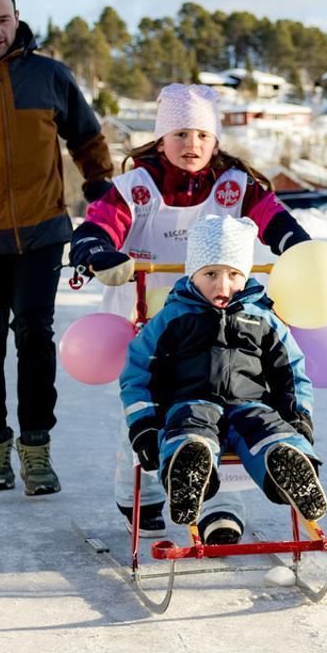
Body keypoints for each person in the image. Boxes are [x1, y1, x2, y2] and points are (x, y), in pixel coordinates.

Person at [68, 82, 313, 540]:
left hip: (219, 313)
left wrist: (297, 248)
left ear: (216, 140)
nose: (191, 145)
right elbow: (99, 224)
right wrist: (96, 250)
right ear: (161, 140)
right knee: (145, 409)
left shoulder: (234, 186)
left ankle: (220, 504)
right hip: (149, 316)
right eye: (180, 134)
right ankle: (140, 495)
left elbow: (275, 219)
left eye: (202, 135)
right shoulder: (137, 188)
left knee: (229, 406)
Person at [0, 0, 113, 496]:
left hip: (42, 232)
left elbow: (88, 137)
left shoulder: (49, 76)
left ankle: (36, 449)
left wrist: (103, 195)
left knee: (34, 333)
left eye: (2, 20)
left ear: (16, 16)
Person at [119, 215, 325, 531]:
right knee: (189, 429)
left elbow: (291, 372)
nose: (223, 285)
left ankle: (290, 468)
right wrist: (144, 426)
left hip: (251, 406)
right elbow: (139, 372)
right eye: (211, 273)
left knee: (270, 432)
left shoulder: (263, 319)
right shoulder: (173, 318)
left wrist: (298, 416)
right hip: (191, 403)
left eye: (233, 274)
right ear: (193, 273)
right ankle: (187, 471)